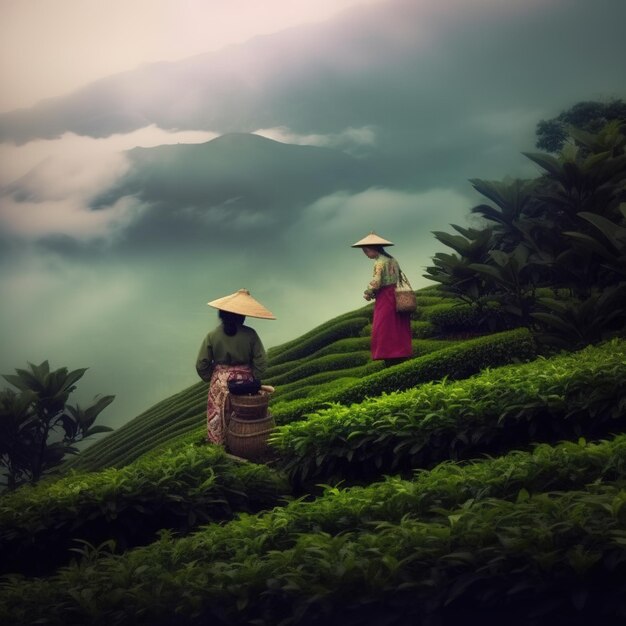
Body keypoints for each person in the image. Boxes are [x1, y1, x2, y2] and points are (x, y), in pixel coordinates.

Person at [195, 288, 275, 445]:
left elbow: (201, 364)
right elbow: (261, 361)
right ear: (242, 316)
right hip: (245, 383)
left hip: (220, 383)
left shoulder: (212, 336)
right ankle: (243, 445)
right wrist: (253, 378)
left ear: (222, 315)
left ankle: (219, 446)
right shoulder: (250, 334)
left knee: (219, 416)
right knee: (243, 417)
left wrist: (216, 377)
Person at [352, 232, 412, 365]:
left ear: (374, 248)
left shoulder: (379, 262)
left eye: (366, 250)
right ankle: (401, 354)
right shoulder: (392, 260)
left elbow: (376, 282)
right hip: (396, 295)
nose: (365, 253)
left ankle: (390, 357)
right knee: (397, 326)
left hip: (385, 297)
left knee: (384, 328)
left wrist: (368, 293)